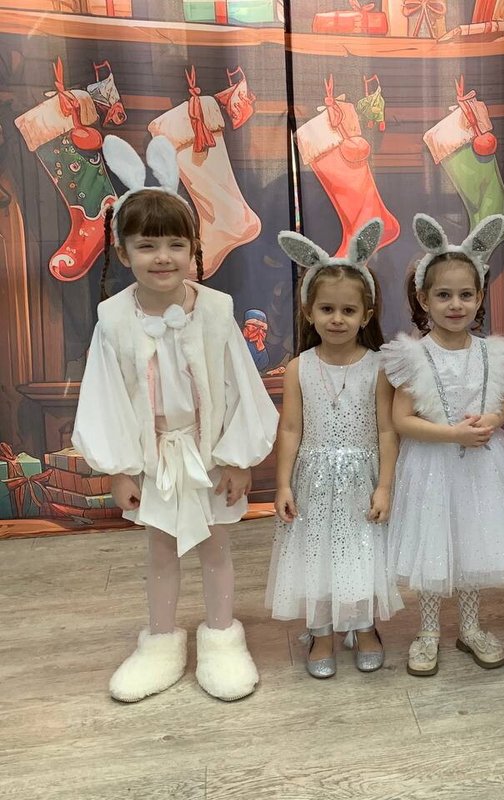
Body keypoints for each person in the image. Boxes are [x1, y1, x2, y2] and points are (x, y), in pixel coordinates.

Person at [73, 135, 277, 702]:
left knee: (216, 547)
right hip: (156, 456)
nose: (162, 257)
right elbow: (106, 397)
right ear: (123, 253)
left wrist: (238, 458)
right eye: (146, 245)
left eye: (174, 244)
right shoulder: (114, 321)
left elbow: (240, 386)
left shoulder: (215, 311)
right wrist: (121, 468)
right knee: (161, 550)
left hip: (208, 452)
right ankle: (160, 642)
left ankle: (222, 638)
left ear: (193, 249)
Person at [382, 213, 504, 677]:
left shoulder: (492, 352)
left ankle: (470, 626)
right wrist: (454, 434)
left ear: (480, 297)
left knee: (473, 546)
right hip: (431, 467)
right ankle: (428, 631)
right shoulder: (413, 355)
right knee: (433, 547)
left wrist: (492, 420)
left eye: (466, 294)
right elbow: (401, 420)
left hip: (481, 467)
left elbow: (501, 404)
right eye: (443, 295)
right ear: (424, 299)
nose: (455, 304)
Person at [266, 220, 403, 678]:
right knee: (316, 556)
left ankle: (363, 626)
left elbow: (387, 431)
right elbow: (290, 429)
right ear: (309, 311)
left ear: (366, 314)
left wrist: (385, 486)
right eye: (327, 309)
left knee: (360, 554)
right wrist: (283, 484)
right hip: (313, 481)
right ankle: (321, 631)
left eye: (348, 310)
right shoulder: (299, 367)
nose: (337, 319)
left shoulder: (379, 367)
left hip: (363, 479)